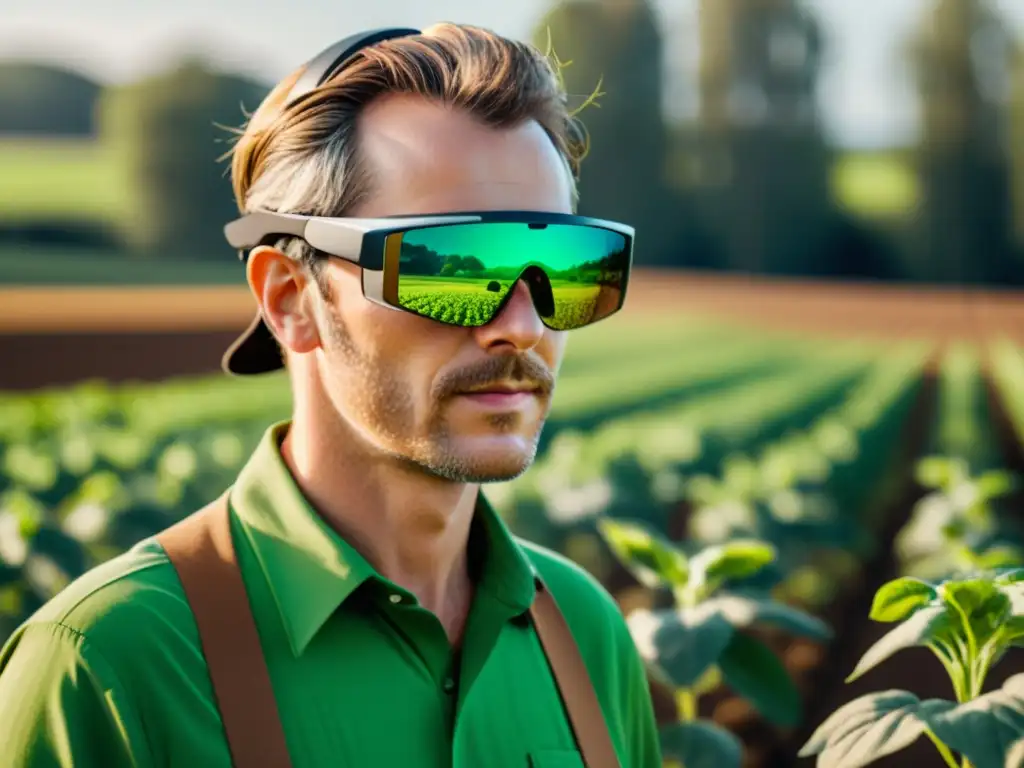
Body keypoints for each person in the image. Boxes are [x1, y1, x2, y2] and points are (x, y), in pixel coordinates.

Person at [0, 23, 660, 768]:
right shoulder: (112, 666)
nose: (522, 324)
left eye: (567, 267)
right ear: (291, 299)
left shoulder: (585, 633)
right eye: (447, 267)